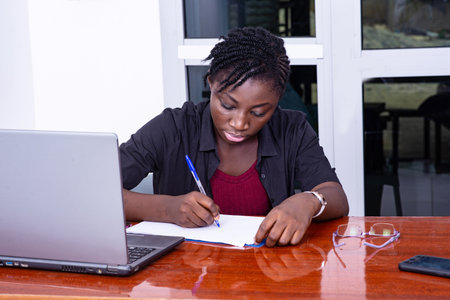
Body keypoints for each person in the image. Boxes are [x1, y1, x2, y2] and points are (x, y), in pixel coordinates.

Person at [120, 27, 349, 247]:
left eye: (259, 112)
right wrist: (168, 209)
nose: (240, 124)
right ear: (210, 83)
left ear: (277, 100)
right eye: (228, 105)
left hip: (266, 273)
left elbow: (336, 196)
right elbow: (95, 192)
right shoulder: (172, 128)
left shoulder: (291, 129)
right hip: (186, 279)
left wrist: (309, 201)